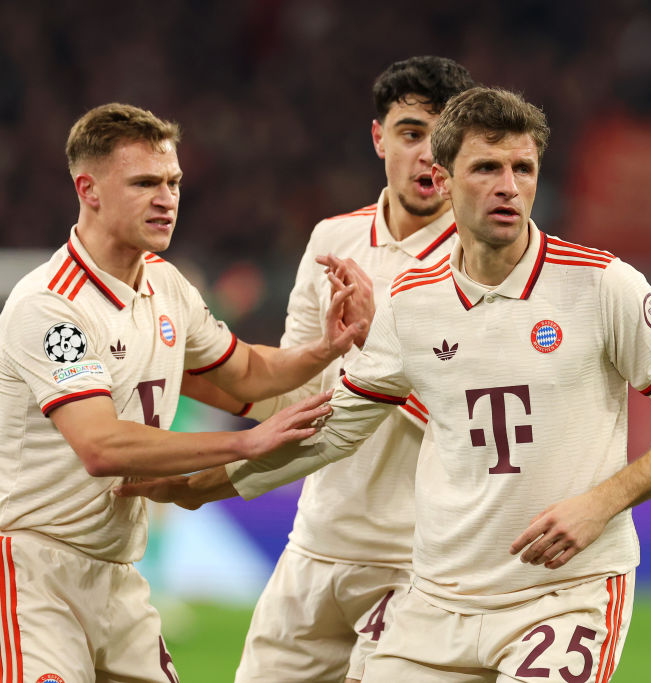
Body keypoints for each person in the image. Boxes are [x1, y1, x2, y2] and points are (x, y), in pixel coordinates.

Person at [125, 87, 651, 680]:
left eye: (523, 168)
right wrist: (207, 486)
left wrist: (603, 502)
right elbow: (333, 431)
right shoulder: (413, 303)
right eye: (487, 168)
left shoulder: (601, 285)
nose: (508, 186)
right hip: (439, 601)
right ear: (443, 179)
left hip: (561, 596)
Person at [0, 102, 364, 683]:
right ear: (88, 190)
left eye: (173, 182)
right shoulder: (50, 307)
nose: (166, 199)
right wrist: (244, 445)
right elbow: (100, 446)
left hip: (118, 576)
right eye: (144, 183)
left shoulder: (166, 285)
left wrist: (325, 348)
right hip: (33, 572)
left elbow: (246, 373)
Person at [121, 56, 476, 683]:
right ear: (379, 138)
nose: (428, 155)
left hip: (421, 561)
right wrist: (187, 373)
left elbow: (473, 418)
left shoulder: (484, 260)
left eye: (443, 139)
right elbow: (297, 400)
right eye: (411, 133)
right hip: (317, 543)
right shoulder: (332, 241)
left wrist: (377, 340)